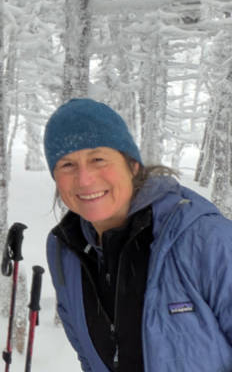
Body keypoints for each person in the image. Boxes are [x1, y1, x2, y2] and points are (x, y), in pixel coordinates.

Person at [44, 97, 232, 372]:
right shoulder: (64, 250)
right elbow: (88, 357)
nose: (84, 179)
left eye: (98, 159)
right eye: (67, 165)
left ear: (132, 165)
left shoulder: (205, 238)